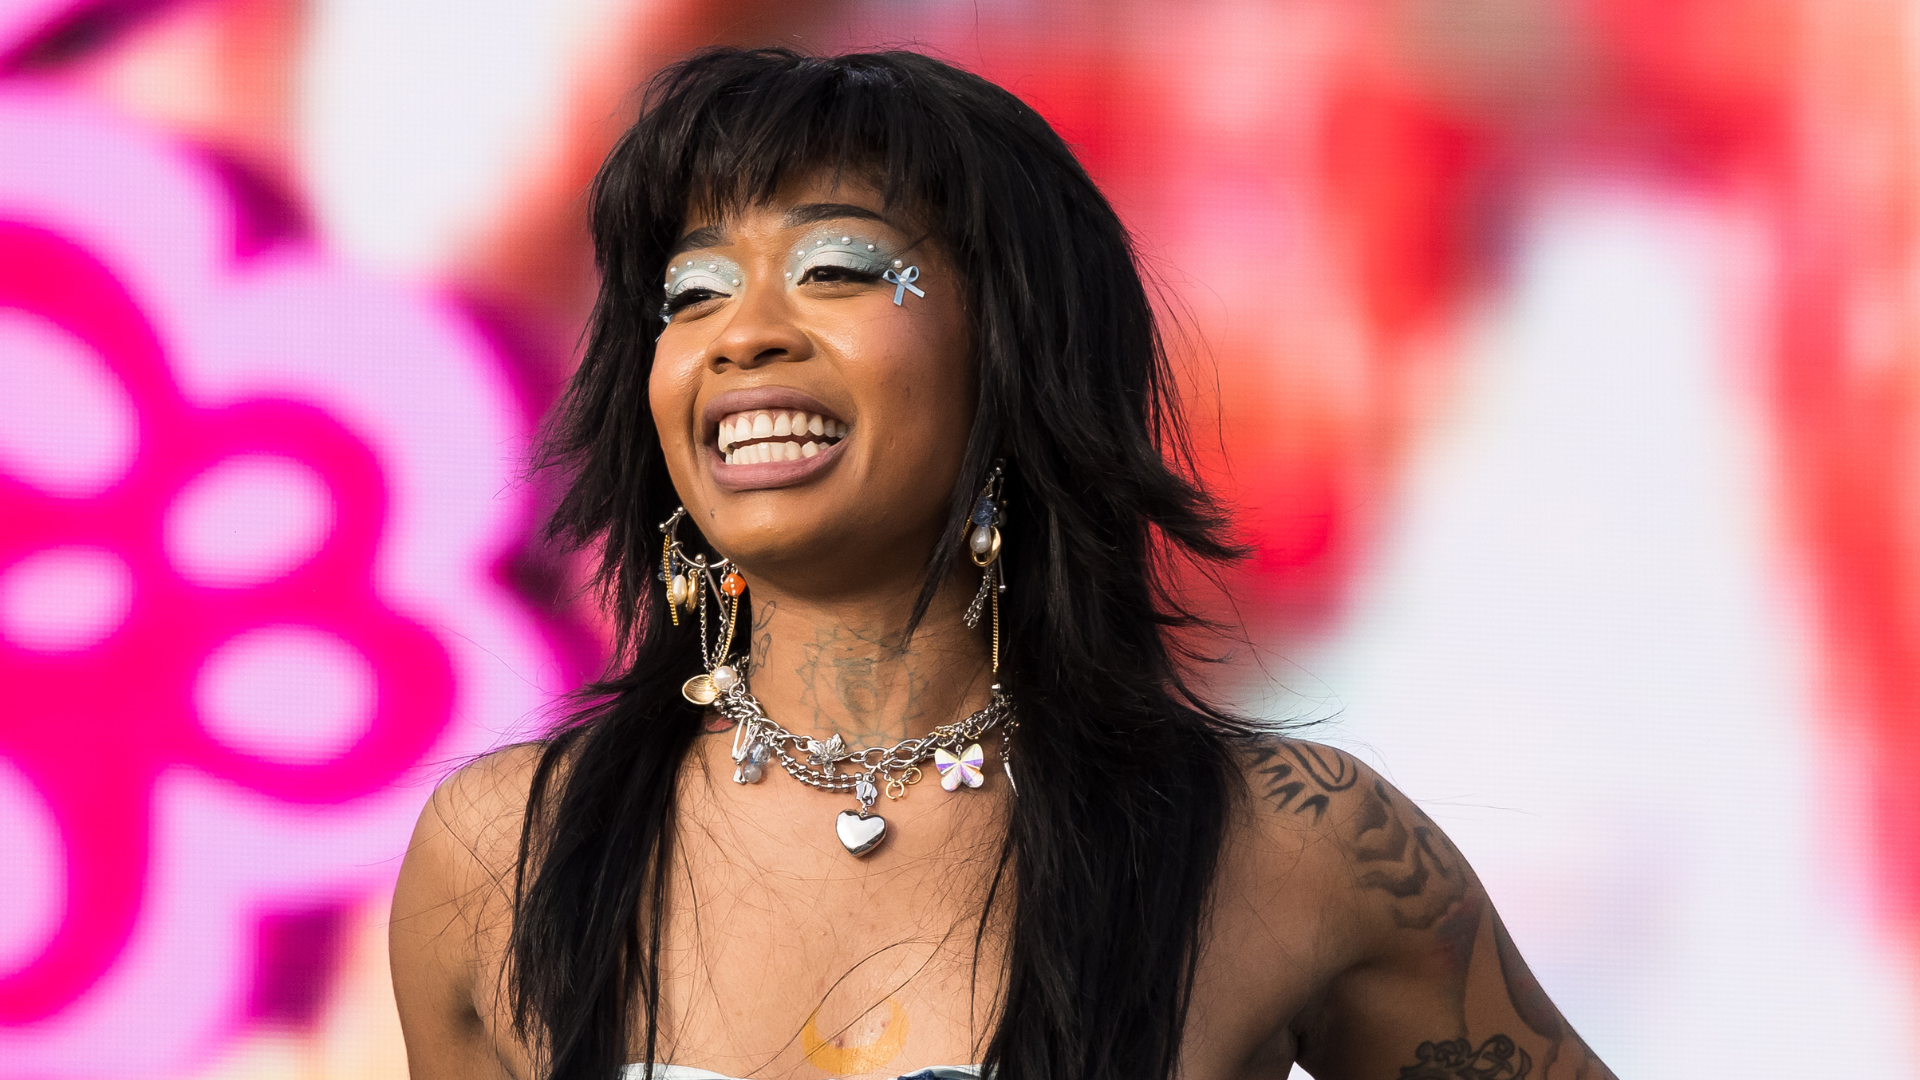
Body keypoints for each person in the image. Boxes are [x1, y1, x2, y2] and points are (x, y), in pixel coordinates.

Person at [389, 47, 1617, 1080]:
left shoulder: (1292, 844)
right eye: (692, 294)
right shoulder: (503, 853)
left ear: (1019, 349)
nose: (742, 334)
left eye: (835, 270)